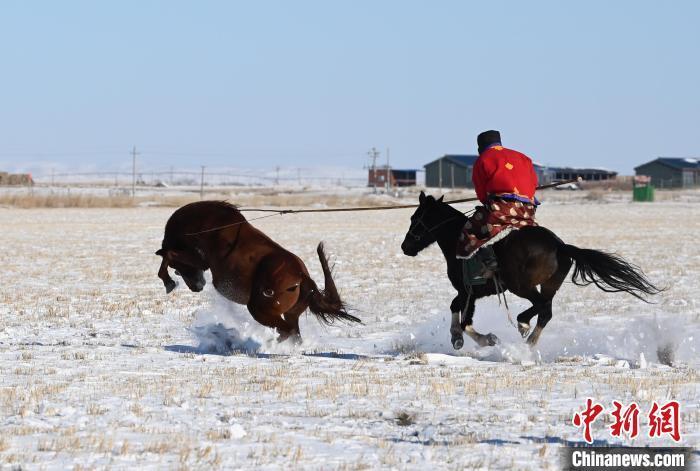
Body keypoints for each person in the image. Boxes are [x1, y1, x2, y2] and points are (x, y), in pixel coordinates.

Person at [457, 130, 540, 282]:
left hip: (501, 208)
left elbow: (481, 192)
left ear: (480, 148)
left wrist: (487, 203)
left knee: (470, 230)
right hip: (527, 211)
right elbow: (534, 183)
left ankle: (488, 264)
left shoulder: (483, 159)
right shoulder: (524, 157)